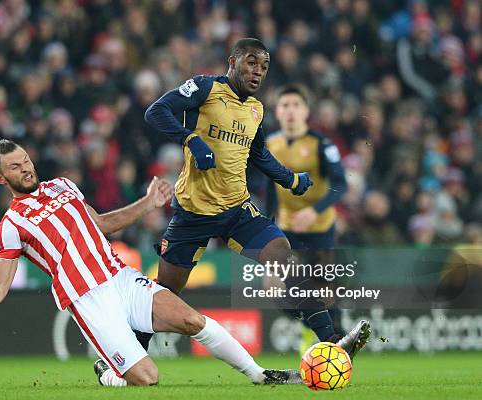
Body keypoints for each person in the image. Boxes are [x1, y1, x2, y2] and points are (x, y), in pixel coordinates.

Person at [0, 139, 302, 387]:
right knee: (148, 377)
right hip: (88, 298)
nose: (26, 169)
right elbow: (0, 283)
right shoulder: (11, 225)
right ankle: (110, 375)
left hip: (120, 277)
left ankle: (260, 375)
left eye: (26, 161)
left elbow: (101, 224)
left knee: (193, 319)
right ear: (1, 178)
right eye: (15, 167)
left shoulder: (63, 186)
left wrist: (146, 204)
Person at [142, 38, 370, 356]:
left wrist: (290, 179)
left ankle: (332, 341)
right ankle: (126, 356)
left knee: (283, 258)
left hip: (237, 209)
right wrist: (191, 138)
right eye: (251, 62)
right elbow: (156, 112)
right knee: (167, 291)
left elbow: (259, 155)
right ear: (232, 61)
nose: (257, 71)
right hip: (194, 212)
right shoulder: (205, 88)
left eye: (263, 66)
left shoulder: (256, 109)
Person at [265, 84, 347, 354]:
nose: (290, 111)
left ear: (306, 111)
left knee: (323, 292)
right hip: (287, 229)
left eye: (296, 105)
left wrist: (315, 210)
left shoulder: (320, 143)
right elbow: (269, 189)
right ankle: (316, 327)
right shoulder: (270, 144)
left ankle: (336, 342)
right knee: (276, 289)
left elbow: (340, 185)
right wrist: (268, 222)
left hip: (320, 229)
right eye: (285, 105)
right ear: (277, 112)